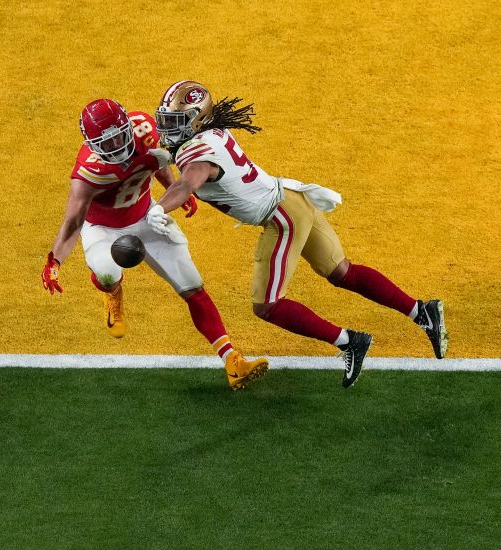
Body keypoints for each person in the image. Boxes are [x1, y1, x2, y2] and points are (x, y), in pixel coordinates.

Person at [152, 80, 447, 387]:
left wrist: (159, 208)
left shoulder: (196, 154)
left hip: (281, 216)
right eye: (166, 120)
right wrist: (166, 158)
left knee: (267, 306)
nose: (168, 128)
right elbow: (190, 162)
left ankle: (350, 342)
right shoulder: (212, 133)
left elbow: (186, 183)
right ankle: (421, 311)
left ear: (198, 119)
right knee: (341, 271)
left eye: (175, 121)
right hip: (294, 198)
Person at [41, 98, 268, 390]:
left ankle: (232, 361)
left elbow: (156, 160)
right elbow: (73, 221)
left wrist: (172, 189)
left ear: (127, 123)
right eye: (106, 144)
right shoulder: (88, 173)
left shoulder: (144, 129)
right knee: (107, 272)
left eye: (120, 135)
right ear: (92, 145)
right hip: (103, 229)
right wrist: (54, 262)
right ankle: (112, 293)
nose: (117, 146)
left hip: (148, 214)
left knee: (192, 285)